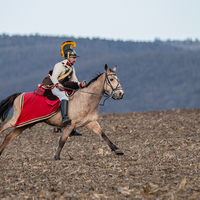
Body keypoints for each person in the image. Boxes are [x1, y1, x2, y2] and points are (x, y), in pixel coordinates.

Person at [50, 41, 87, 136]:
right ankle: (64, 119)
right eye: (74, 58)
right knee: (64, 97)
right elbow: (54, 77)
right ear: (68, 57)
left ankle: (72, 129)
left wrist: (80, 85)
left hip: (65, 88)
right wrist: (57, 84)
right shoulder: (59, 65)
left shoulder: (72, 68)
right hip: (55, 88)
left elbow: (74, 81)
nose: (75, 60)